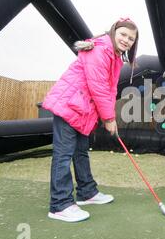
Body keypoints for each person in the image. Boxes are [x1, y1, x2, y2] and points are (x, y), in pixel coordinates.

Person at [43, 18, 139, 222]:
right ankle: (60, 205)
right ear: (113, 32)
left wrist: (106, 115)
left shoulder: (114, 56)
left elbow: (110, 89)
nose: (126, 40)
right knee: (63, 155)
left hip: (82, 110)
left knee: (80, 152)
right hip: (69, 105)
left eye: (131, 38)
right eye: (123, 34)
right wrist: (109, 117)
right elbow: (98, 86)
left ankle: (87, 193)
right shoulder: (101, 49)